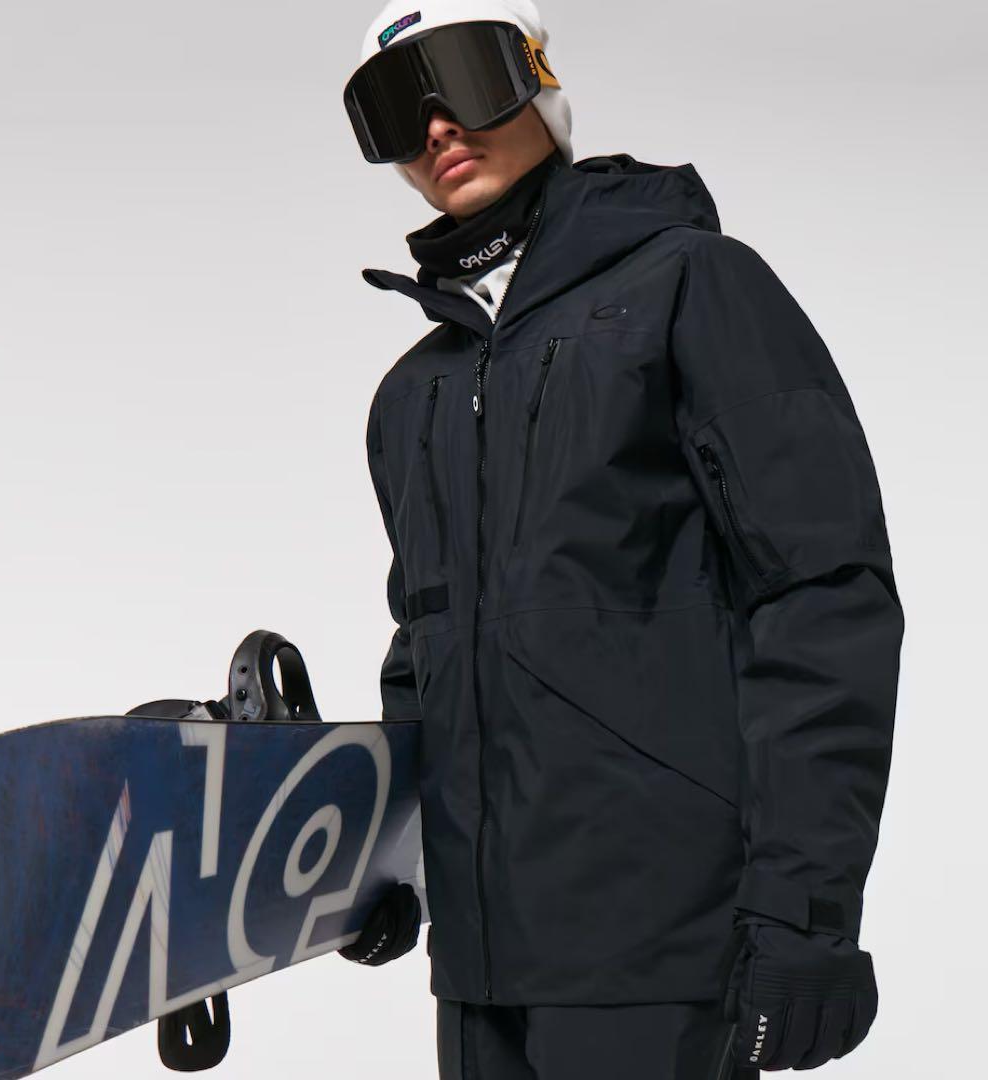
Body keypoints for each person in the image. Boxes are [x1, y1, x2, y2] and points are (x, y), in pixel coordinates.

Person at [339, 2, 905, 1077]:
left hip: (667, 950)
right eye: (393, 113)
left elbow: (822, 597)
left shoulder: (692, 285)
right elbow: (426, 658)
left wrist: (807, 911)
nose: (438, 128)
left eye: (466, 78)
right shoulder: (412, 394)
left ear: (540, 83)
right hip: (481, 970)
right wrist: (386, 871)